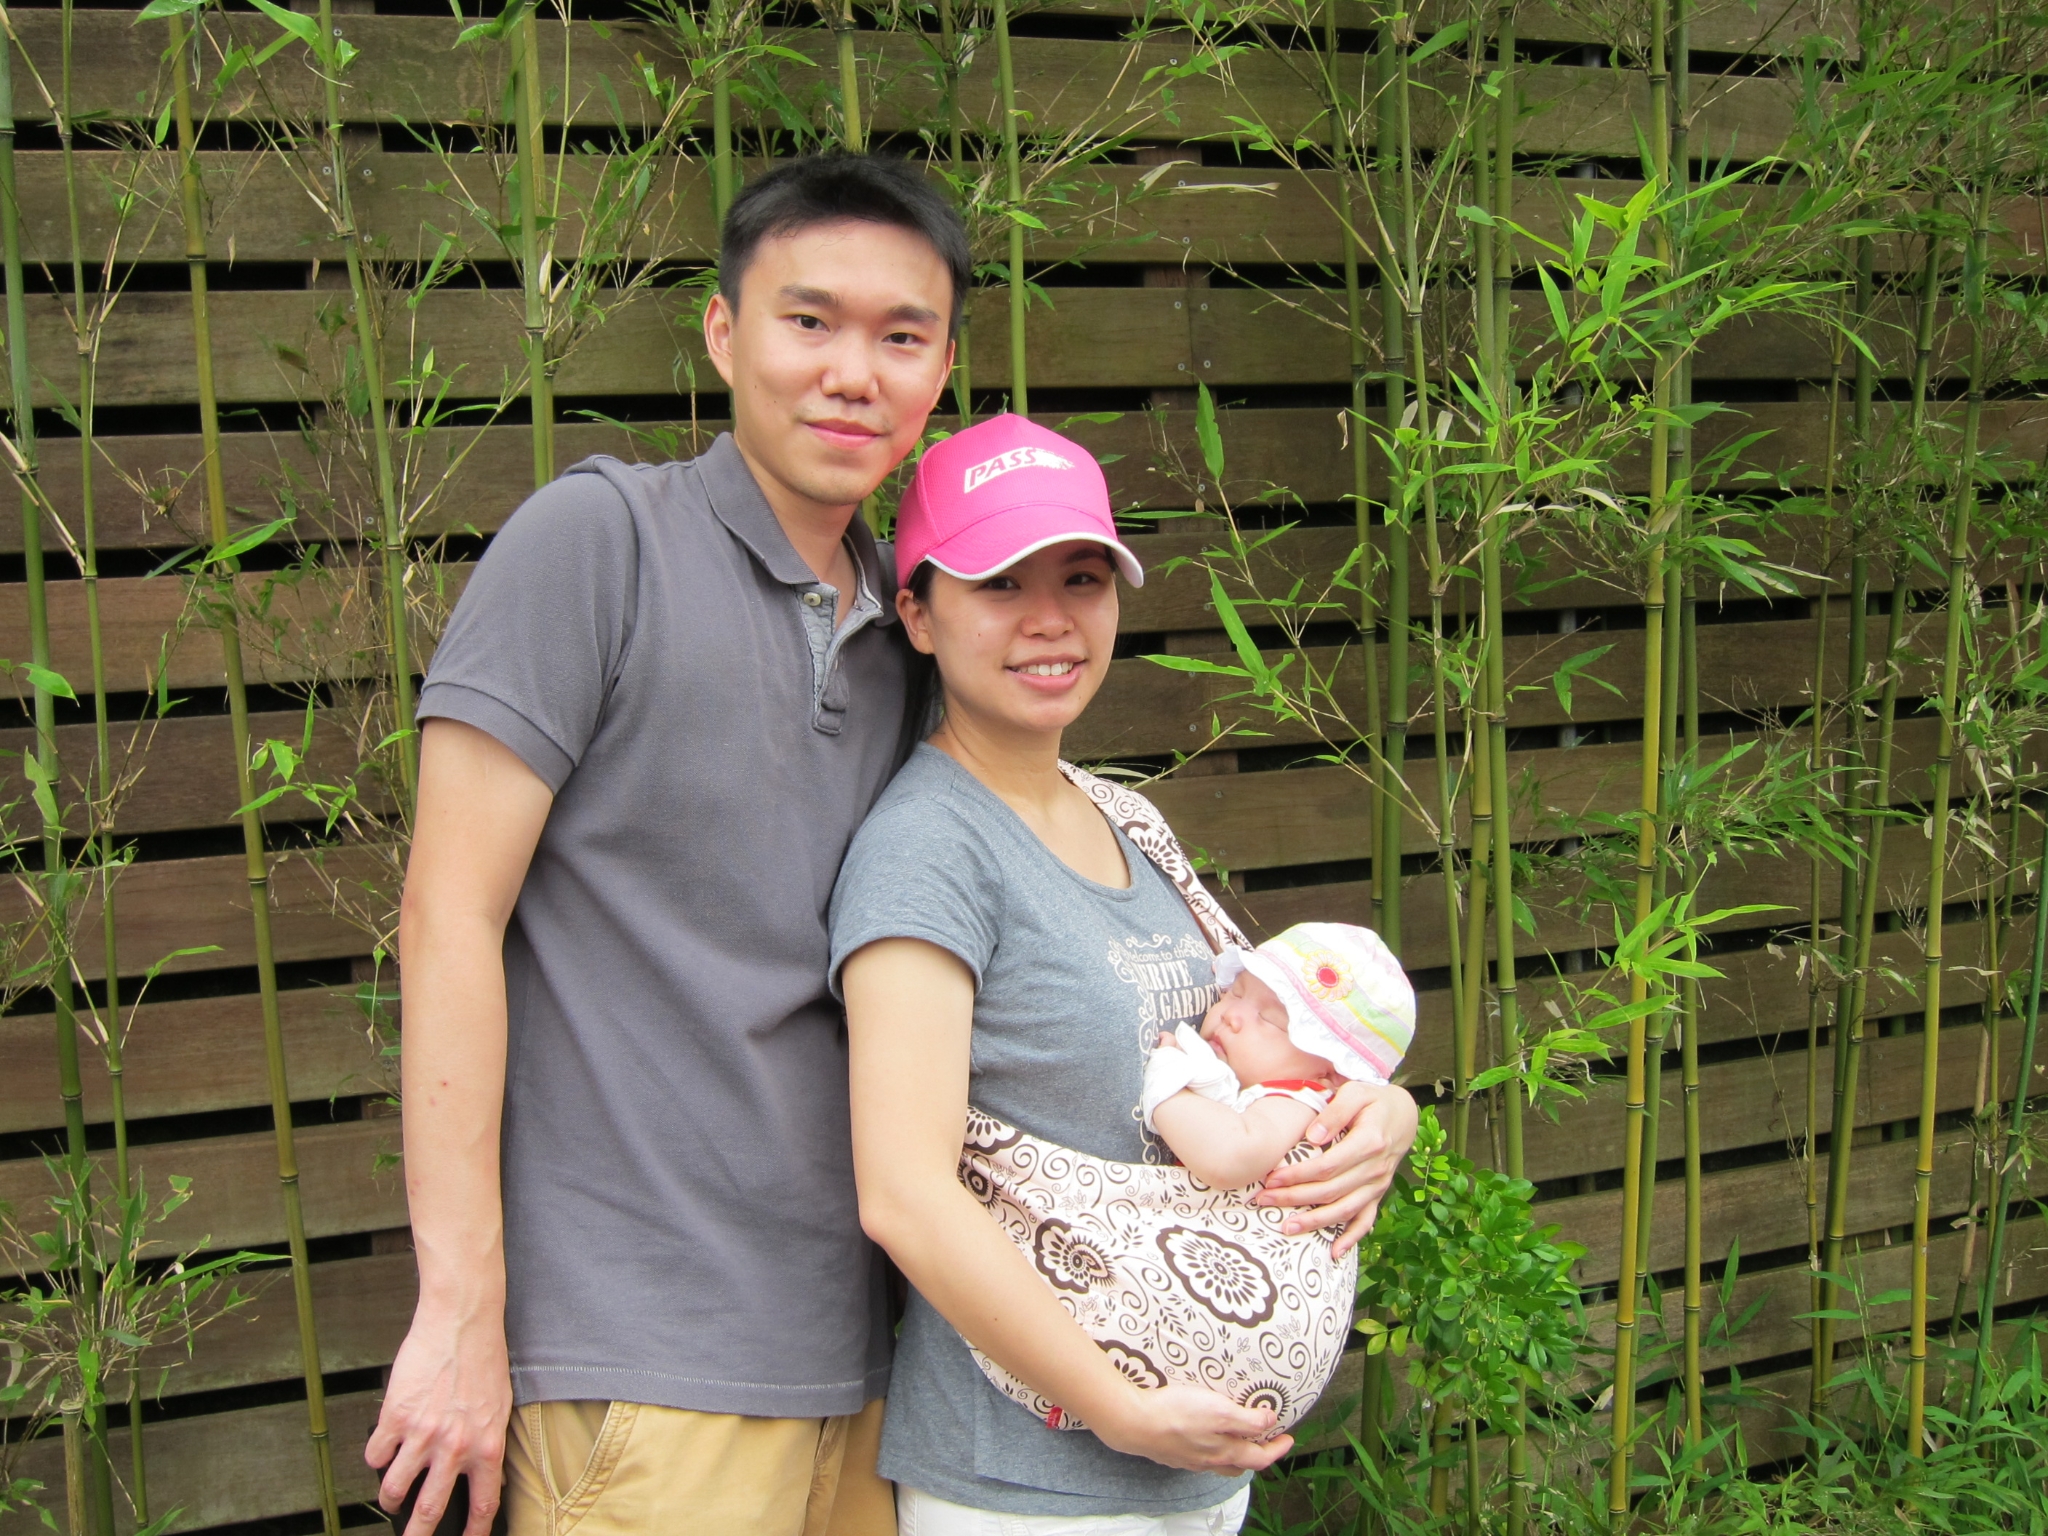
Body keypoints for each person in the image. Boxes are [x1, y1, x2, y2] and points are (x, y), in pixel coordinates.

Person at [364, 154, 966, 1536]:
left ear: (942, 370)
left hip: (867, 1367)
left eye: (901, 336)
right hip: (636, 1371)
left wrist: (1324, 1085)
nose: (852, 373)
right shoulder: (599, 543)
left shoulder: (920, 625)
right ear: (722, 333)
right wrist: (457, 1310)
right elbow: (446, 915)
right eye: (807, 321)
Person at [832, 415, 1422, 1535]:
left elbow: (1274, 1035)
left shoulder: (1129, 822)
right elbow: (903, 1192)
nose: (1050, 619)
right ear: (916, 613)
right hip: (1027, 1484)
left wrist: (1380, 1114)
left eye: (1082, 577)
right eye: (998, 583)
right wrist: (1118, 1409)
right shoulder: (928, 850)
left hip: (1197, 1477)